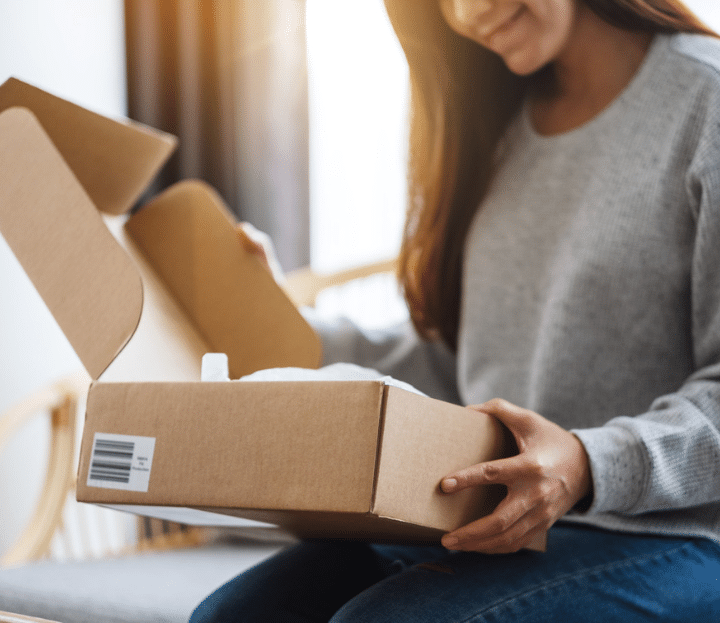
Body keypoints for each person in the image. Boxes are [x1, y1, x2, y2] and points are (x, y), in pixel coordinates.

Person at [191, 0, 720, 620]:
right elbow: (464, 363)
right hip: (508, 519)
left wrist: (587, 463)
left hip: (675, 530)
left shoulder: (704, 101)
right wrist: (274, 325)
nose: (468, 11)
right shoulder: (493, 120)